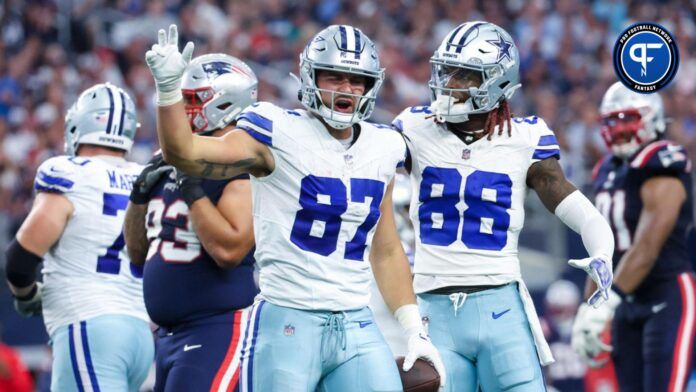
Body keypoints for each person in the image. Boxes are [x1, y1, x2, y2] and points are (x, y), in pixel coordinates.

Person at [144, 24, 445, 391]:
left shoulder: (383, 147)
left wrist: (413, 327)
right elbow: (186, 154)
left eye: (356, 80)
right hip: (287, 320)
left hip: (356, 322)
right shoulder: (275, 131)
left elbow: (384, 250)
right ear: (311, 77)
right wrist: (168, 91)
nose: (346, 89)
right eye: (334, 77)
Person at [391, 21, 615, 391]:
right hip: (432, 309)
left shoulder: (524, 137)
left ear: (497, 81)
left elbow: (574, 203)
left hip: (501, 306)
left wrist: (602, 250)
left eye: (464, 75)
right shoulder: (415, 127)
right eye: (447, 71)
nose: (449, 83)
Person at [4, 83, 153, 391]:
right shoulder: (145, 177)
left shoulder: (72, 173)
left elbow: (19, 259)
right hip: (139, 334)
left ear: (79, 122)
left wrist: (26, 294)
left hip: (90, 324)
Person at [123, 53, 259, 392]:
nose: (183, 109)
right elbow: (137, 255)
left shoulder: (240, 163)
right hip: (167, 336)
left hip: (217, 327)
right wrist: (139, 195)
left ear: (225, 101)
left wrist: (192, 188)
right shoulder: (168, 158)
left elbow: (231, 250)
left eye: (193, 99)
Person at [571, 82, 695, 391]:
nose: (618, 128)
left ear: (651, 118)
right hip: (626, 303)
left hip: (667, 294)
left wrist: (604, 304)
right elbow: (600, 251)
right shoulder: (606, 171)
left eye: (627, 118)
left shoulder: (662, 161)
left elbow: (648, 246)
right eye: (612, 120)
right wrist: (587, 310)